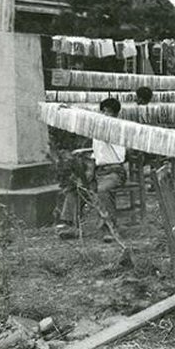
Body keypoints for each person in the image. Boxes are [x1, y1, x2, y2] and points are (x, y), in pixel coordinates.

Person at [56, 97, 126, 242]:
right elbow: (98, 152)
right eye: (103, 111)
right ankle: (71, 226)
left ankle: (108, 228)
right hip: (98, 170)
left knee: (102, 190)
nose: (105, 114)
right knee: (75, 188)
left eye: (109, 112)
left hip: (114, 171)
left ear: (116, 114)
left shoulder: (118, 128)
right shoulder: (98, 129)